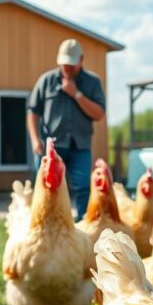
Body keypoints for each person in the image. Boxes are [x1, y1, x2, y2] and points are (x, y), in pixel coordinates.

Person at [27, 38, 106, 220]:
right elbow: (33, 111)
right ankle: (44, 224)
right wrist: (34, 139)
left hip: (80, 146)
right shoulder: (46, 81)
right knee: (45, 188)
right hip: (51, 147)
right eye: (64, 64)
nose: (67, 68)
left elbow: (99, 113)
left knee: (82, 188)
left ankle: (82, 227)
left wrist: (76, 94)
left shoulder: (92, 82)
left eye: (71, 65)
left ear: (81, 60)